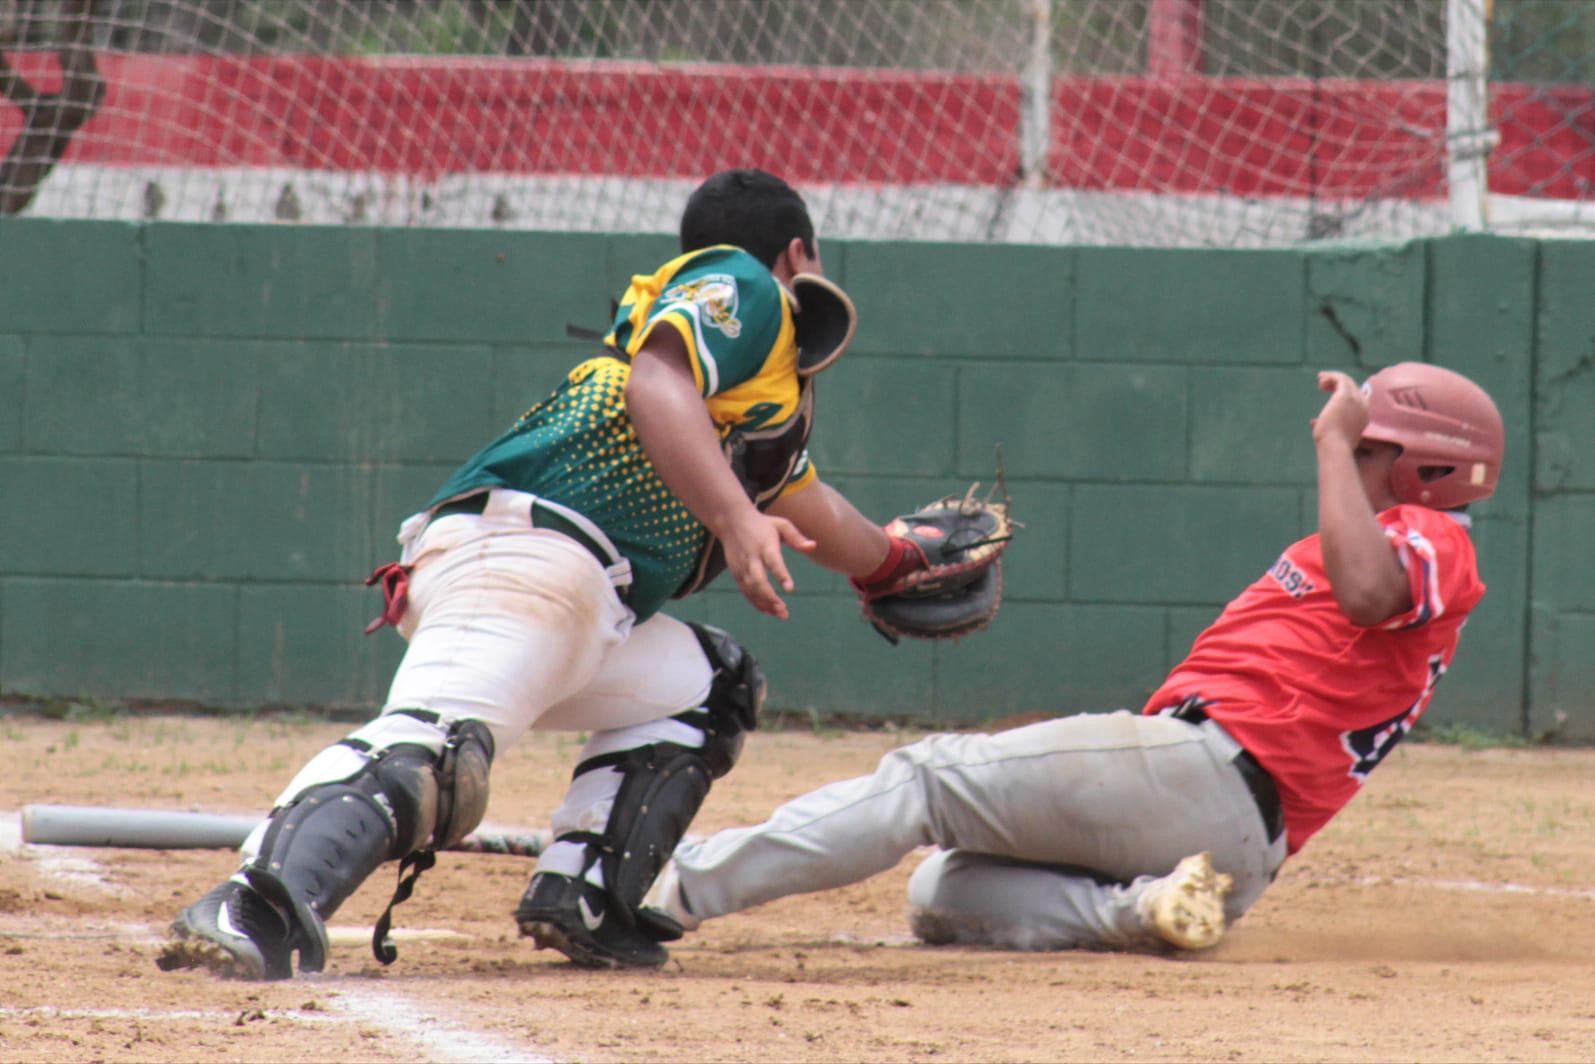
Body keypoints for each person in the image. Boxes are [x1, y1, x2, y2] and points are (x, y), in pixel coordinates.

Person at [157, 168, 944, 980]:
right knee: (429, 756)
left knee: (705, 685)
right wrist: (735, 518)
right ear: (797, 253)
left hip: (575, 597)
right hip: (527, 561)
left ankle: (584, 895)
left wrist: (892, 563)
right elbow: (657, 381)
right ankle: (253, 901)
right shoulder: (742, 283)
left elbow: (813, 511)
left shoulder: (744, 412)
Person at [643, 363, 1505, 955]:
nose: (1347, 452)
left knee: (924, 782)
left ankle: (672, 891)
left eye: (1368, 448)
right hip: (1230, 841)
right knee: (943, 892)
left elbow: (1364, 594)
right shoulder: (1395, 540)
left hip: (1210, 770)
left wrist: (1327, 444)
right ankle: (1145, 910)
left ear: (1429, 470)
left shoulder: (1430, 537)